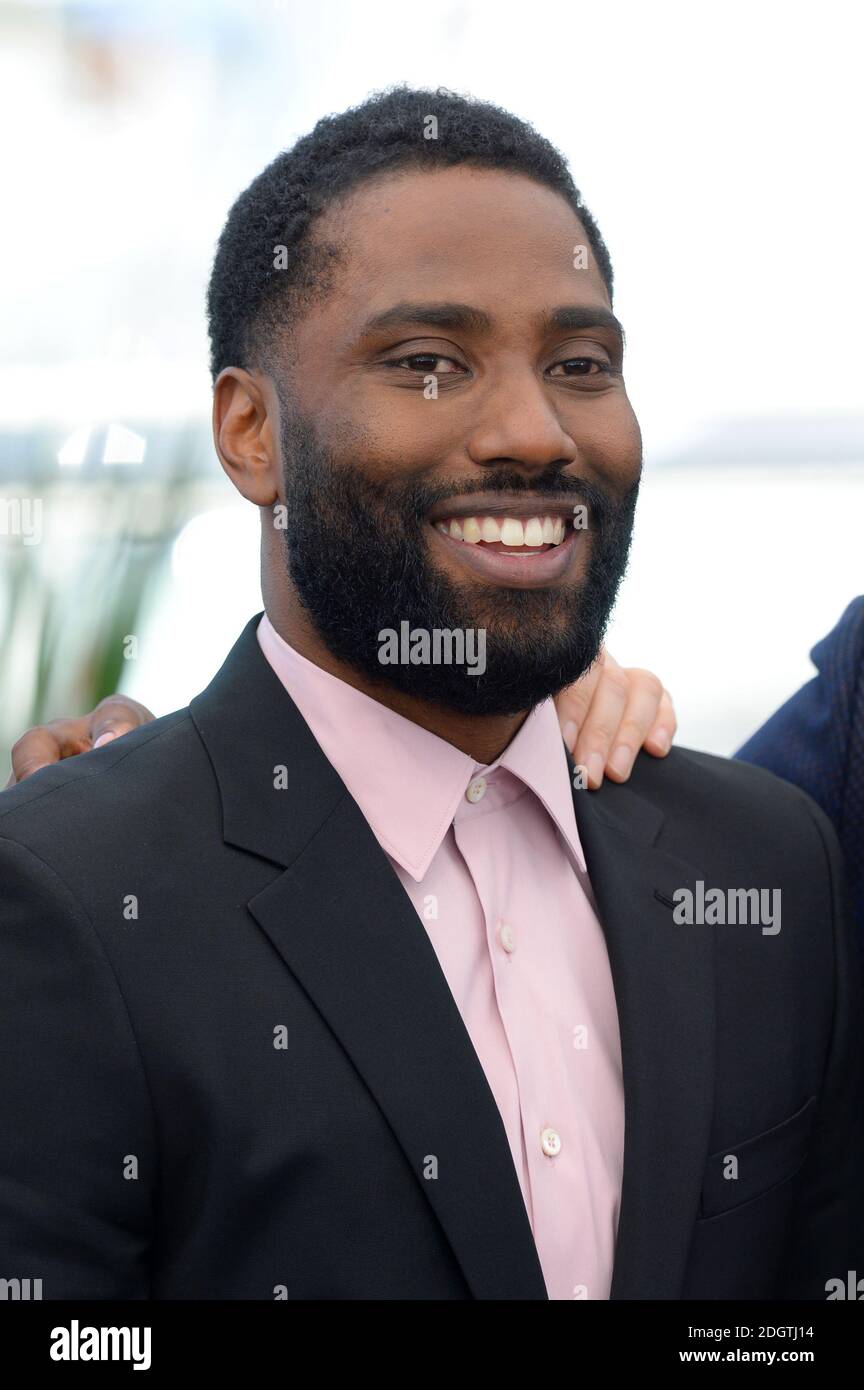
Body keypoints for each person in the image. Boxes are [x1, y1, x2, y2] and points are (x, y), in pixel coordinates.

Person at [1, 85, 861, 1302]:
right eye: (427, 363)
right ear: (252, 434)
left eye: (580, 363)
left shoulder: (771, 868)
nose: (534, 429)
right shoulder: (70, 896)